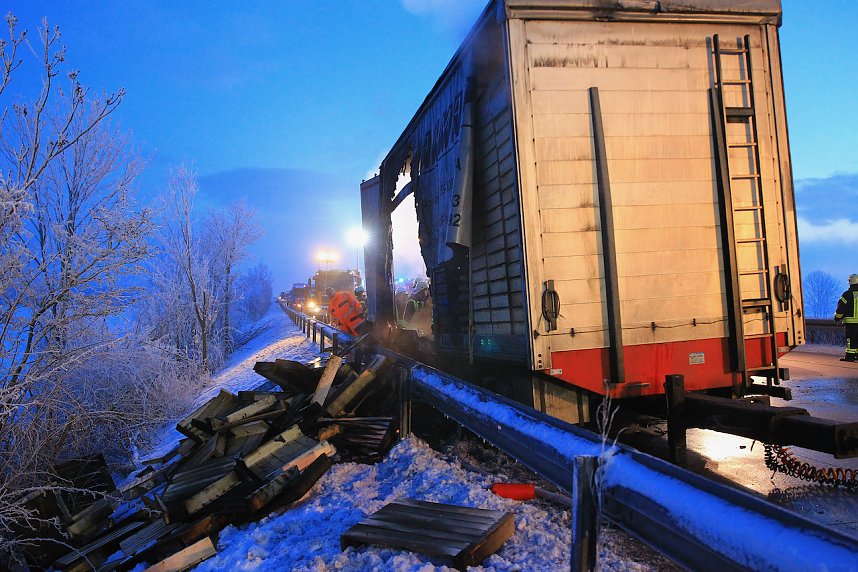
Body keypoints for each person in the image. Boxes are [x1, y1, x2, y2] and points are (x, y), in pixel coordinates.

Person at [834, 274, 858, 362]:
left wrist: (837, 318)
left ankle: (850, 356)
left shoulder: (847, 295)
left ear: (850, 282)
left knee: (851, 339)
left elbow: (841, 308)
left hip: (851, 323)